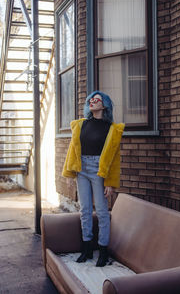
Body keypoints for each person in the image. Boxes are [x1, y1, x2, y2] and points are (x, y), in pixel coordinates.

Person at [62, 91, 125, 267]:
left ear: (104, 105)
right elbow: (72, 150)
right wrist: (69, 173)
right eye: (90, 99)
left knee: (103, 212)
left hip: (99, 171)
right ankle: (87, 248)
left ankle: (103, 251)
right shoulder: (81, 124)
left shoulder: (111, 128)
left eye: (96, 100)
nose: (92, 102)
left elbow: (114, 159)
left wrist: (111, 183)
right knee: (85, 210)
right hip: (81, 169)